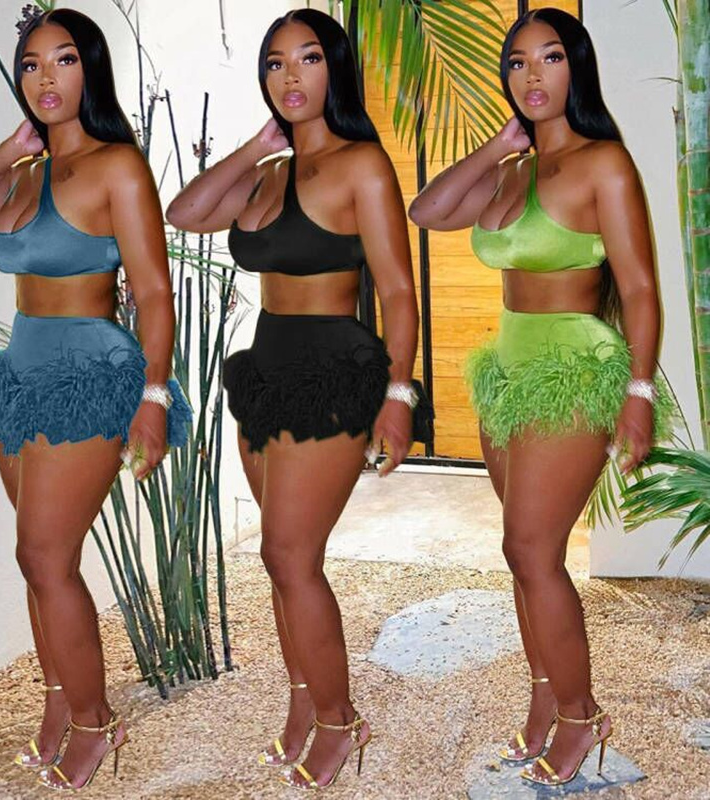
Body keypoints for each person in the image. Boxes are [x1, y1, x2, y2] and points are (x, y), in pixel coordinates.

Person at [0, 8, 189, 790]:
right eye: (31, 64)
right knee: (38, 559)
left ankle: (98, 723)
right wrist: (11, 148)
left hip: (91, 372)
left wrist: (153, 397)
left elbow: (154, 291)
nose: (46, 77)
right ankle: (57, 703)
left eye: (64, 60)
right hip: (22, 372)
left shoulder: (117, 166)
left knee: (44, 556)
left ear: (89, 70)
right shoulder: (25, 170)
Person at [409, 7, 672, 788]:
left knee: (532, 550)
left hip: (575, 366)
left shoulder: (603, 163)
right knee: (520, 551)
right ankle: (545, 699)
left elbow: (641, 288)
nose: (532, 75)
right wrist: (499, 145)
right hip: (509, 368)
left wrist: (638, 392)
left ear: (576, 67)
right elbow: (428, 211)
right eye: (517, 61)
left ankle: (583, 716)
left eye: (550, 58)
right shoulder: (514, 167)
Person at [167, 8, 418, 791]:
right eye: (275, 63)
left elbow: (399, 290)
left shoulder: (361, 164)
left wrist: (399, 395)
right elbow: (186, 214)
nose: (290, 76)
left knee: (289, 554)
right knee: (282, 563)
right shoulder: (269, 172)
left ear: (333, 69)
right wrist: (255, 147)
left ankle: (341, 720)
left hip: (333, 366)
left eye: (308, 58)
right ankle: (305, 702)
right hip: (266, 369)